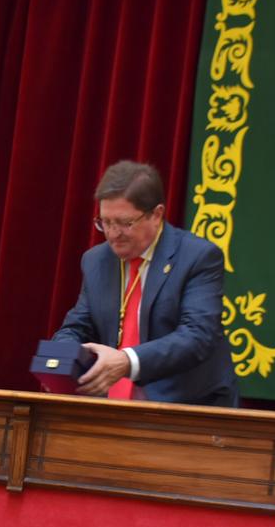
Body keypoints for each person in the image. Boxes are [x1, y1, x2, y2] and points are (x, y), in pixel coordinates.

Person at [51, 160, 237, 406]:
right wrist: (63, 362)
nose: (113, 233)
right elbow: (77, 326)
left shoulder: (197, 256)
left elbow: (197, 336)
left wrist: (127, 362)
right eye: (105, 222)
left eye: (125, 223)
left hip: (187, 407)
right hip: (110, 405)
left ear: (157, 214)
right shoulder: (97, 260)